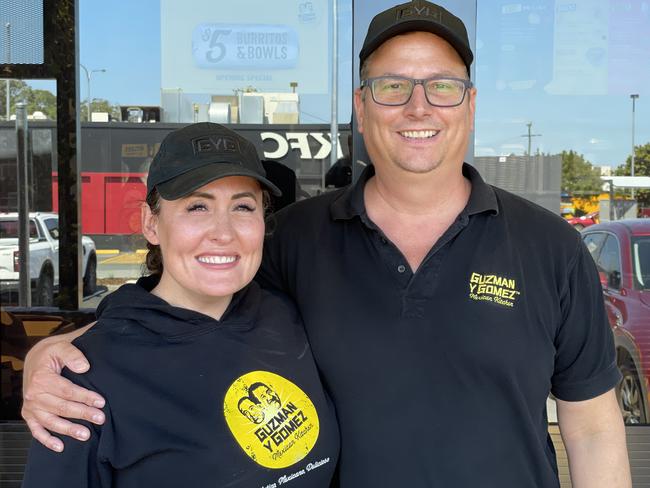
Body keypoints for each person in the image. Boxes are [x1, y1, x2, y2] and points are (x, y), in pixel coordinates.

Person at [21, 2, 631, 487]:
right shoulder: (293, 240)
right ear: (361, 109)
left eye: (442, 86)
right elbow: (186, 304)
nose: (418, 106)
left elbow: (594, 425)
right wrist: (62, 354)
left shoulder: (551, 247)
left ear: (470, 105)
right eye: (392, 87)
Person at [21, 122, 338, 487]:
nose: (224, 232)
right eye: (198, 206)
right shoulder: (85, 379)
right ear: (151, 224)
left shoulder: (287, 314)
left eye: (243, 207)